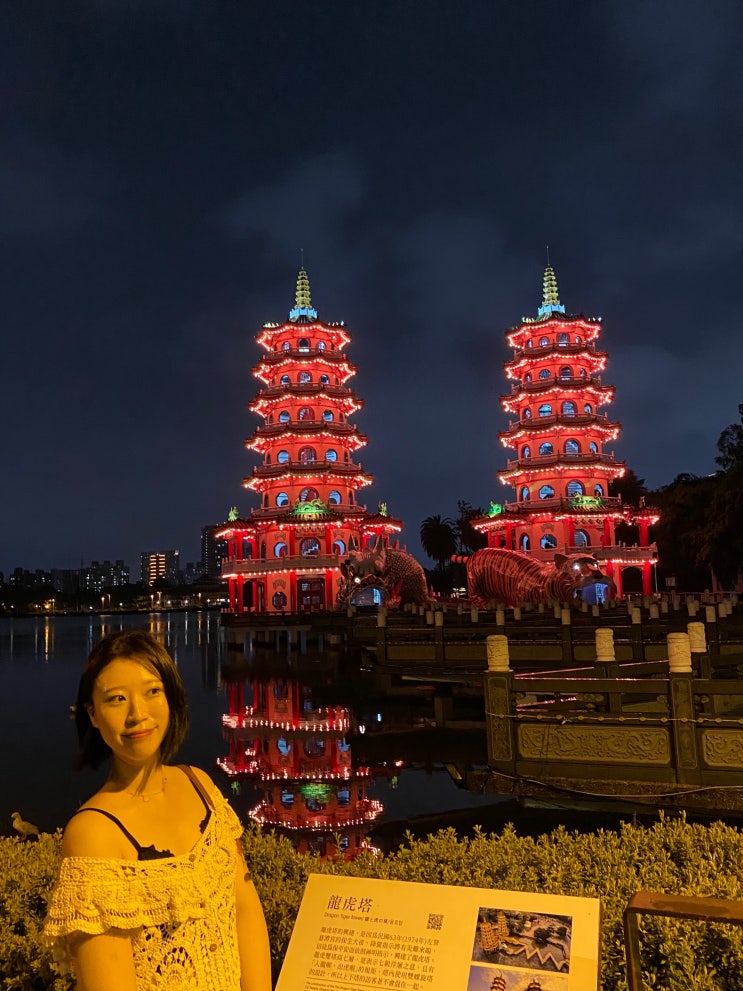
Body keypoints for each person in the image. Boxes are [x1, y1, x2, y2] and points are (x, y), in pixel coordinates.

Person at [44, 630, 272, 991]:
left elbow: (244, 909)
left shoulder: (200, 785)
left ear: (171, 697)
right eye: (117, 699)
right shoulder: (93, 834)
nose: (138, 714)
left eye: (152, 691)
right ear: (93, 714)